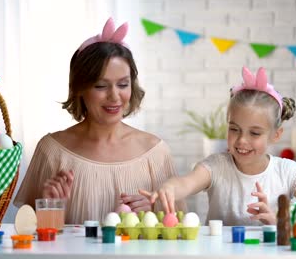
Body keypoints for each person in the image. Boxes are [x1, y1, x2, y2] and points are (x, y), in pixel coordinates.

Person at [14, 18, 186, 224]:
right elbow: (29, 236)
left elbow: (179, 229)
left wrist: (154, 212)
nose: (114, 97)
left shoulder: (155, 153)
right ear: (80, 89)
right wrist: (50, 207)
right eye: (100, 86)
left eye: (123, 84)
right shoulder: (52, 150)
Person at [140, 66, 296, 226]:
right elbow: (186, 183)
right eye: (234, 129)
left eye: (255, 133)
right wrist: (170, 188)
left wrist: (280, 220)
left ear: (276, 135)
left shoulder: (287, 172)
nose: (242, 140)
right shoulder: (216, 166)